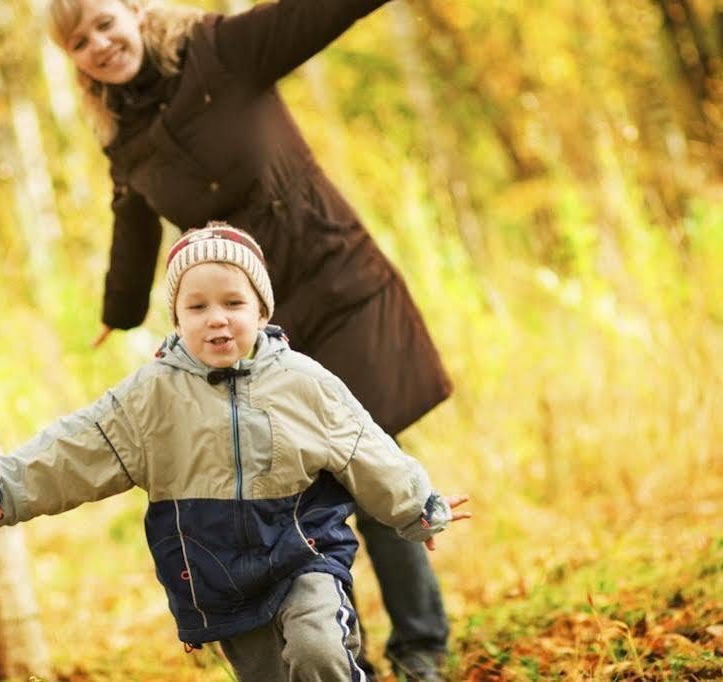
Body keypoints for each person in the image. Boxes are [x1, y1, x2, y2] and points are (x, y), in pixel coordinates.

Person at [43, 0, 455, 678]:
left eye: (104, 23)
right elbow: (134, 222)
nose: (100, 45)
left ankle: (420, 652)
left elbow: (312, 16)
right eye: (79, 41)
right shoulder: (124, 133)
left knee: (364, 458)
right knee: (297, 490)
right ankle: (341, 658)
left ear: (135, 12)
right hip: (254, 327)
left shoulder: (224, 49)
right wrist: (117, 310)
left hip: (336, 279)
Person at [0, 225, 469, 682]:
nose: (217, 318)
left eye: (234, 303)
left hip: (304, 552)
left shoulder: (305, 383)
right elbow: (77, 448)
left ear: (261, 310)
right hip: (219, 571)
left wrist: (416, 504)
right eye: (197, 306)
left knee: (318, 649)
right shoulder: (152, 395)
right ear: (177, 318)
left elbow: (365, 447)